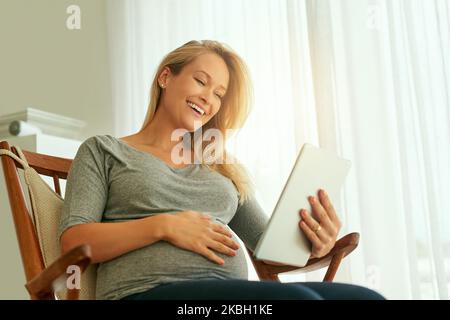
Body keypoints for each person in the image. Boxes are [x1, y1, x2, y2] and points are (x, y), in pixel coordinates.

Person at [58, 40, 384, 300]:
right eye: (201, 81)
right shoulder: (104, 151)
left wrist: (316, 242)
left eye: (219, 94)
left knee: (365, 298)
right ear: (166, 77)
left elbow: (268, 249)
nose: (208, 99)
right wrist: (164, 226)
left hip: (226, 296)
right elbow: (74, 244)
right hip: (145, 292)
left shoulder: (222, 167)